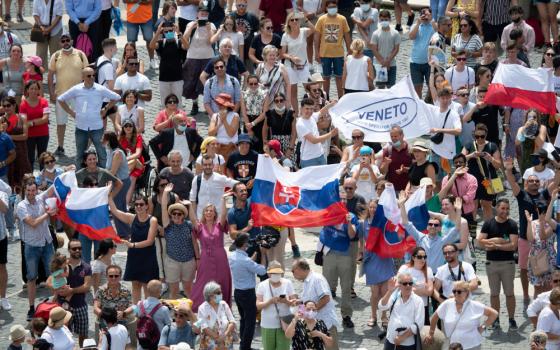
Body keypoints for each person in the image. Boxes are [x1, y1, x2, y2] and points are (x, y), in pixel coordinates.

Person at [504, 156, 559, 301]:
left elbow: (557, 182)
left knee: (544, 269)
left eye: (536, 181)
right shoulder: (522, 195)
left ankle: (546, 296)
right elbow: (511, 181)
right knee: (523, 268)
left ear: (539, 183)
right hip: (525, 238)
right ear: (526, 183)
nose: (534, 182)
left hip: (543, 239)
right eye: (531, 181)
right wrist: (508, 170)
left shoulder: (544, 194)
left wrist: (558, 167)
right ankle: (526, 294)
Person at [57, 67, 120, 168]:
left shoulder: (100, 89)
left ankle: (103, 177)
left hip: (97, 128)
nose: (92, 77)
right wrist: (70, 112)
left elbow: (117, 97)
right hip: (81, 128)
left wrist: (106, 108)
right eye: (89, 76)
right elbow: (61, 99)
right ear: (83, 77)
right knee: (79, 155)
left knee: (102, 154)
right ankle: (79, 179)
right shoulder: (76, 89)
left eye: (93, 75)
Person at [16, 180, 56, 321]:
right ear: (24, 190)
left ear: (37, 190)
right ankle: (31, 308)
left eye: (33, 190)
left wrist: (66, 173)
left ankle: (55, 304)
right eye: (28, 191)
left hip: (46, 243)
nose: (31, 193)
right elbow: (32, 223)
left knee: (54, 274)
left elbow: (53, 188)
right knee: (31, 277)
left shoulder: (40, 198)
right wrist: (48, 214)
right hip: (31, 246)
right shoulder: (21, 206)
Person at [477, 198, 519, 330]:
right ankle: (495, 318)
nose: (505, 211)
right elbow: (480, 241)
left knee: (509, 293)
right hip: (492, 264)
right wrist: (499, 241)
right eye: (503, 208)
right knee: (494, 293)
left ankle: (511, 318)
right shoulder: (488, 223)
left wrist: (495, 246)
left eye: (507, 209)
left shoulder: (512, 224)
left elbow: (513, 246)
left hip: (508, 263)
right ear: (497, 208)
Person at [109, 194, 158, 304]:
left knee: (147, 286)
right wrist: (109, 196)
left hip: (147, 256)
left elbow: (150, 241)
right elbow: (115, 211)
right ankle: (136, 311)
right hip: (134, 256)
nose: (138, 207)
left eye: (141, 204)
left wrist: (132, 245)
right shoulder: (132, 218)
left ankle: (147, 312)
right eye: (136, 204)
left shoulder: (152, 220)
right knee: (135, 285)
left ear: (146, 206)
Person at [46, 33, 89, 156]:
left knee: (81, 121)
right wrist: (51, 93)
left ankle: (82, 147)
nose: (65, 42)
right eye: (63, 40)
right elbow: (50, 75)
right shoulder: (55, 56)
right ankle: (60, 146)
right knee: (60, 123)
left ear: (72, 40)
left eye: (67, 40)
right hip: (61, 95)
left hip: (78, 95)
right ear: (60, 43)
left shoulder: (80, 55)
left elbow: (87, 72)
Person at [189, 193, 233, 312]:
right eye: (206, 211)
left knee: (222, 280)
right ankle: (199, 306)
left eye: (211, 211)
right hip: (205, 258)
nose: (209, 212)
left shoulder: (219, 225)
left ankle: (222, 307)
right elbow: (193, 219)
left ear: (214, 213)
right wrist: (189, 205)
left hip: (220, 257)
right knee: (202, 281)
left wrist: (223, 199)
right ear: (203, 213)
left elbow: (224, 214)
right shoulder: (200, 227)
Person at [400, 191, 461, 272]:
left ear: (440, 228)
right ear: (427, 227)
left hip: (437, 276)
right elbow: (406, 223)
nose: (433, 226)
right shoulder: (420, 237)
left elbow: (457, 228)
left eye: (436, 225)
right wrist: (401, 204)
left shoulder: (443, 241)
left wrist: (459, 210)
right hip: (422, 275)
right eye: (430, 224)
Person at [426, 280, 498, 349]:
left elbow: (494, 314)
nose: (456, 294)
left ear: (467, 292)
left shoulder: (475, 305)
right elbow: (435, 317)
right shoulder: (447, 304)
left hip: (472, 345)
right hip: (453, 346)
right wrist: (431, 333)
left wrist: (482, 327)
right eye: (454, 291)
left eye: (459, 292)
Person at [320, 200, 358, 329]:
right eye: (339, 201)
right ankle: (325, 315)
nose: (341, 203)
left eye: (343, 201)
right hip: (329, 253)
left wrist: (347, 222)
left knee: (346, 287)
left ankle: (346, 315)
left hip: (345, 255)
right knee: (326, 287)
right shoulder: (328, 213)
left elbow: (352, 235)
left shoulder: (351, 216)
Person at [229, 232, 267, 350]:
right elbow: (262, 271)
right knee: (250, 322)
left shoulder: (232, 256)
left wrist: (252, 259)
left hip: (238, 292)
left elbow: (245, 264)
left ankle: (243, 345)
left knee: (243, 319)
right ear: (245, 244)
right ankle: (245, 347)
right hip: (248, 293)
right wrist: (264, 255)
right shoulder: (246, 261)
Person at [291, 259, 340, 350]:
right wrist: (300, 303)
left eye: (292, 271)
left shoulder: (317, 279)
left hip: (326, 323)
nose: (293, 274)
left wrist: (312, 310)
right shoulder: (307, 281)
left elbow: (325, 298)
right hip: (314, 325)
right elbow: (308, 301)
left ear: (298, 269)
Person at [161, 183, 199, 299]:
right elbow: (163, 208)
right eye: (174, 213)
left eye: (179, 214)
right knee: (174, 291)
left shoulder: (188, 225)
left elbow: (195, 239)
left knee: (188, 289)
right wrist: (165, 193)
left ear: (183, 215)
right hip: (172, 261)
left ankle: (191, 313)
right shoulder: (168, 225)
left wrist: (189, 206)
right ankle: (175, 315)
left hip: (189, 261)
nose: (176, 215)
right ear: (171, 215)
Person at [181, 3, 217, 116]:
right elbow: (184, 38)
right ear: (197, 14)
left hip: (208, 57)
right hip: (193, 56)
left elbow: (211, 41)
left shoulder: (211, 25)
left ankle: (208, 104)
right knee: (192, 82)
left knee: (207, 83)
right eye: (202, 13)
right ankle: (195, 104)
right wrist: (191, 28)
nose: (204, 15)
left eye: (206, 14)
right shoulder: (191, 24)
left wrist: (208, 29)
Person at [314, 0, 351, 99]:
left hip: (338, 54)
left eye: (334, 6)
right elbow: (317, 37)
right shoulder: (321, 19)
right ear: (326, 8)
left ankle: (341, 98)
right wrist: (316, 53)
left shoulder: (342, 19)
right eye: (330, 7)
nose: (332, 9)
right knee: (326, 78)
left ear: (337, 7)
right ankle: (326, 99)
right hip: (324, 54)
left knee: (340, 77)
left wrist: (350, 51)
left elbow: (347, 36)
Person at [256, 260, 297, 350]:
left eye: (278, 273)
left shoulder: (287, 283)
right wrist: (270, 301)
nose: (276, 275)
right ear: (269, 273)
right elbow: (258, 305)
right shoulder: (262, 285)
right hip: (268, 324)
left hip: (285, 323)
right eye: (273, 273)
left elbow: (295, 302)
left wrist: (286, 301)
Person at [378, 273, 425, 349]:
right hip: (390, 340)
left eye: (410, 283)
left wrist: (402, 337)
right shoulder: (394, 296)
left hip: (408, 344)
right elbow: (382, 306)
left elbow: (419, 324)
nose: (408, 286)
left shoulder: (418, 301)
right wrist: (389, 291)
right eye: (405, 283)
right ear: (399, 285)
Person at [280, 12, 314, 114]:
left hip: (303, 65)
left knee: (310, 89)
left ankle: (310, 110)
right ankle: (296, 114)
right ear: (288, 23)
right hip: (290, 65)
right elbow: (282, 54)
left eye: (296, 19)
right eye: (292, 20)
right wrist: (291, 57)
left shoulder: (304, 32)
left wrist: (305, 19)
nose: (295, 21)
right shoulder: (285, 36)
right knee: (293, 92)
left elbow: (314, 29)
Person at [62, 239, 92, 346]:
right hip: (64, 307)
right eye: (74, 248)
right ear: (69, 250)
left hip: (80, 306)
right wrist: (58, 290)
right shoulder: (63, 265)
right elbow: (49, 282)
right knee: (65, 335)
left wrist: (71, 291)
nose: (77, 250)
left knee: (83, 335)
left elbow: (87, 287)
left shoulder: (86, 267)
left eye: (80, 248)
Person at [189, 154, 237, 219]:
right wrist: (195, 219)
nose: (207, 166)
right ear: (202, 166)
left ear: (213, 165)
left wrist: (231, 193)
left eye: (209, 164)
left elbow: (237, 184)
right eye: (205, 165)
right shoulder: (196, 179)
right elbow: (193, 200)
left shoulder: (220, 178)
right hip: (201, 218)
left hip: (218, 219)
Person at [150, 21, 185, 109]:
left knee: (178, 102)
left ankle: (178, 120)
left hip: (177, 78)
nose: (168, 33)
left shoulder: (178, 42)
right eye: (166, 32)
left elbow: (187, 46)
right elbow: (151, 45)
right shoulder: (162, 43)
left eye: (170, 31)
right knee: (164, 102)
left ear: (174, 31)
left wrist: (179, 33)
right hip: (164, 78)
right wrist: (158, 32)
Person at [93, 265, 135, 338]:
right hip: (106, 321)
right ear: (106, 276)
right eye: (111, 276)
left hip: (122, 320)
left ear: (120, 276)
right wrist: (105, 315)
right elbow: (95, 308)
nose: (113, 278)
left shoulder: (126, 290)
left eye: (116, 276)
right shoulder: (101, 290)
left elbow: (133, 306)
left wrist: (124, 313)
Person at [103, 131, 131, 239]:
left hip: (121, 183)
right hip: (117, 182)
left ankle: (123, 233)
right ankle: (125, 231)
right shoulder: (110, 151)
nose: (102, 141)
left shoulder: (117, 153)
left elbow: (113, 172)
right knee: (119, 207)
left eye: (104, 139)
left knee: (116, 208)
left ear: (108, 141)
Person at [297, 98, 338, 168]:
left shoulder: (312, 116)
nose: (309, 111)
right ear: (301, 109)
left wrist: (331, 104)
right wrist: (331, 134)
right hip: (308, 159)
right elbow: (314, 140)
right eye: (307, 109)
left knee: (324, 177)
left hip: (320, 155)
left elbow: (321, 112)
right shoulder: (300, 124)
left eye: (311, 109)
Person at [527, 203, 556, 299]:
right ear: (537, 211)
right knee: (537, 287)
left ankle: (547, 311)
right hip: (535, 258)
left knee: (548, 287)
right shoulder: (533, 223)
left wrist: (543, 223)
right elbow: (531, 239)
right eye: (541, 212)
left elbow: (543, 236)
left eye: (545, 212)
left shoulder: (552, 224)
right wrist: (529, 222)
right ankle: (537, 311)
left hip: (549, 258)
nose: (543, 214)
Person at [398, 247, 434, 325]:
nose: (423, 259)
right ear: (413, 257)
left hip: (422, 306)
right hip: (406, 305)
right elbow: (398, 286)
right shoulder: (404, 268)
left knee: (422, 332)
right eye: (419, 257)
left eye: (424, 257)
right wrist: (422, 290)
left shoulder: (428, 270)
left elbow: (430, 292)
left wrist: (410, 289)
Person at [197, 281, 236, 350]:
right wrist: (217, 338)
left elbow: (232, 321)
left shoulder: (224, 304)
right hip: (210, 341)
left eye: (221, 292)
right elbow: (204, 327)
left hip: (226, 338)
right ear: (210, 295)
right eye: (218, 293)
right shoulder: (202, 308)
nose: (221, 294)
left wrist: (224, 335)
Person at [3, 97, 31, 189]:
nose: (6, 108)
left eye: (8, 105)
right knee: (9, 176)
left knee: (22, 176)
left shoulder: (22, 117)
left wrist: (9, 137)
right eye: (4, 106)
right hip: (8, 152)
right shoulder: (1, 119)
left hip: (21, 151)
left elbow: (25, 136)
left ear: (14, 105)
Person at [20, 80, 49, 169]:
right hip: (29, 135)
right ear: (27, 90)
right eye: (31, 88)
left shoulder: (44, 102)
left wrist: (31, 123)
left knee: (43, 158)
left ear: (38, 90)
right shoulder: (23, 105)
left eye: (36, 89)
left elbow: (45, 119)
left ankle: (44, 177)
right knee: (30, 158)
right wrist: (37, 121)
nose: (33, 91)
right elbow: (23, 122)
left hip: (43, 134)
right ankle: (30, 179)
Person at [119, 0, 156, 70]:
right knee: (131, 42)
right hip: (132, 18)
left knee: (149, 40)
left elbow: (151, 1)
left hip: (146, 18)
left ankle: (152, 60)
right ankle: (133, 62)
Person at [409, 7, 437, 98]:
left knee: (432, 86)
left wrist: (431, 20)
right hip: (415, 62)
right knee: (417, 88)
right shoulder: (416, 25)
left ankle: (428, 103)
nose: (425, 17)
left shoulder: (433, 25)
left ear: (431, 15)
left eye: (427, 14)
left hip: (430, 62)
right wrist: (418, 23)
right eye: (423, 14)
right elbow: (411, 36)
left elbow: (439, 33)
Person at [370, 10, 400, 88]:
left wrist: (388, 61)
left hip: (392, 64)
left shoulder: (395, 33)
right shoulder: (375, 33)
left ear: (390, 20)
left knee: (391, 88)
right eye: (382, 20)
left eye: (386, 20)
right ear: (379, 20)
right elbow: (374, 49)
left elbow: (396, 49)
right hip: (379, 64)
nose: (384, 21)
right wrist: (383, 62)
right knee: (380, 89)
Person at [262, 92, 296, 161]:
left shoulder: (291, 113)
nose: (279, 102)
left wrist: (290, 148)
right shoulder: (269, 114)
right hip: (274, 145)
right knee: (276, 166)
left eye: (281, 100)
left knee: (289, 166)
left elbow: (294, 133)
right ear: (274, 102)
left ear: (284, 101)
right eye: (277, 101)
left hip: (288, 144)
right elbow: (265, 130)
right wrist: (265, 143)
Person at [32, 0, 64, 71]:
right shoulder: (36, 1)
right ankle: (41, 75)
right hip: (41, 30)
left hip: (56, 30)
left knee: (56, 54)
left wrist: (49, 28)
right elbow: (35, 14)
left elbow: (59, 17)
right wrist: (41, 27)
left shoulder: (58, 1)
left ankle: (56, 75)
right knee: (40, 55)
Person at [119, 119, 145, 205]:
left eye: (130, 126)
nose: (128, 128)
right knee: (129, 176)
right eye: (126, 126)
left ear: (133, 127)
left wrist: (125, 159)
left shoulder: (138, 137)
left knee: (132, 177)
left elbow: (138, 154)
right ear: (123, 128)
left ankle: (126, 204)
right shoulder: (120, 138)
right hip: (127, 166)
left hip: (138, 164)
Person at [208, 93, 240, 162]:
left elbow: (231, 134)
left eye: (222, 104)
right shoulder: (215, 116)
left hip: (230, 148)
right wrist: (220, 123)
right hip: (217, 148)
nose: (220, 106)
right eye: (219, 104)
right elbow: (210, 134)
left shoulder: (235, 116)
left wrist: (224, 120)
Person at [95, 38, 119, 129]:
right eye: (115, 47)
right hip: (106, 100)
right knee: (116, 123)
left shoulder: (100, 59)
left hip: (101, 97)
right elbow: (111, 86)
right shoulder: (108, 65)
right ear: (111, 49)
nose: (117, 49)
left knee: (114, 123)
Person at [240, 75, 267, 152]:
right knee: (248, 147)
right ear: (248, 84)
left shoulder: (265, 94)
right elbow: (243, 112)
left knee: (260, 146)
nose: (253, 86)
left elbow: (265, 112)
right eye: (251, 84)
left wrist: (253, 123)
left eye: (255, 83)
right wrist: (249, 127)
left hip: (260, 122)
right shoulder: (244, 94)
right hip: (248, 121)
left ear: (258, 83)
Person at [0, 178, 9, 310]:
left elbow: (4, 209)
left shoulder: (2, 193)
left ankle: (3, 297)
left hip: (0, 236)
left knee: (2, 267)